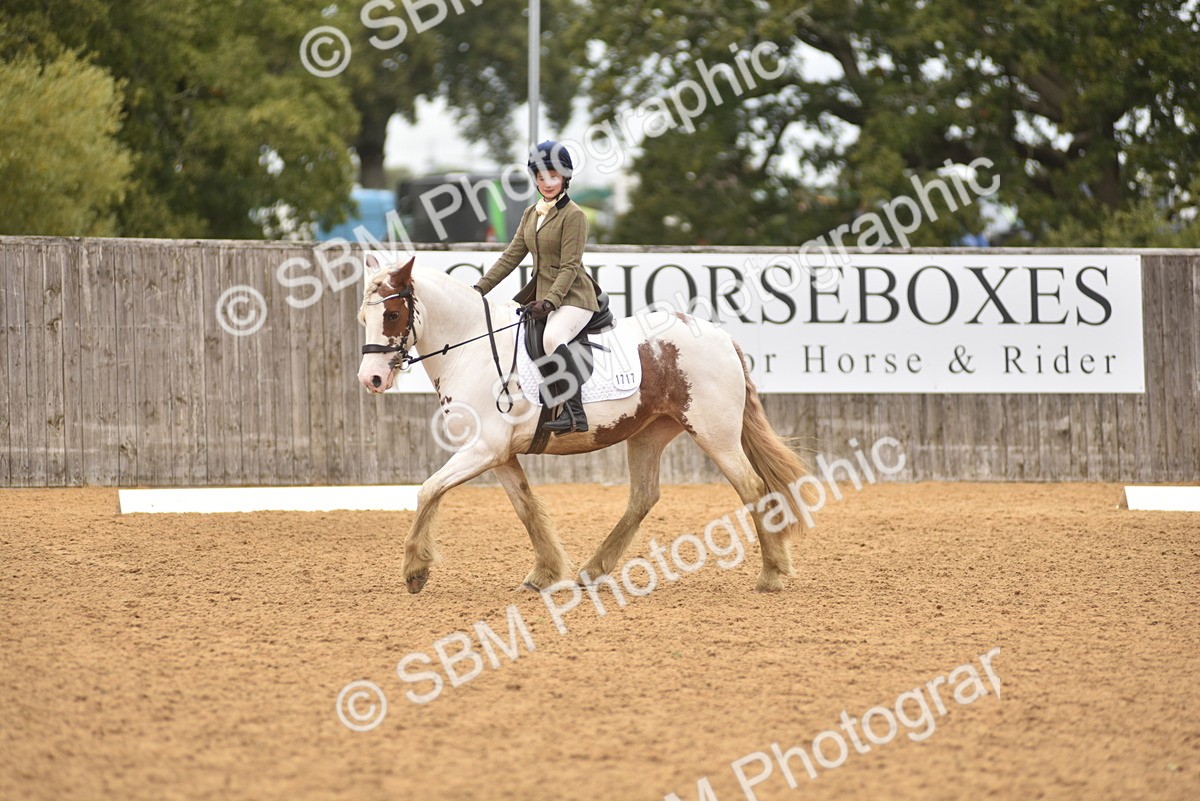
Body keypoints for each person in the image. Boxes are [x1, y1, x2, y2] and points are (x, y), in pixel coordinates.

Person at [473, 140, 602, 435]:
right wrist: (479, 289)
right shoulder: (531, 213)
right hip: (546, 297)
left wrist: (551, 301)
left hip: (574, 297)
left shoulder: (575, 216)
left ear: (565, 177)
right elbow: (510, 257)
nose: (547, 183)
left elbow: (570, 267)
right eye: (541, 176)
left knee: (552, 337)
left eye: (553, 176)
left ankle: (575, 414)